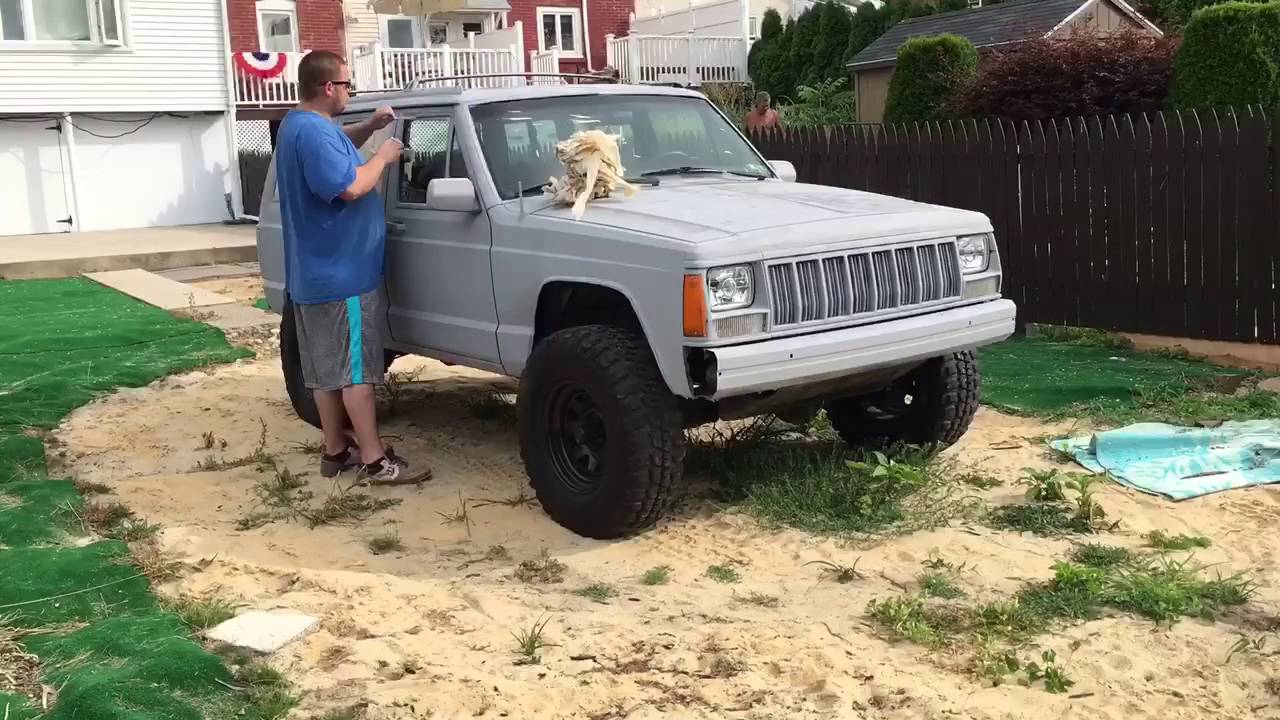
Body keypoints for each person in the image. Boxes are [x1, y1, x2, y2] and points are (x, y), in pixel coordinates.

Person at [275, 50, 428, 485]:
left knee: (325, 374)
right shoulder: (316, 135)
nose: (350, 92)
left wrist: (369, 128)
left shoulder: (298, 125)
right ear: (328, 88)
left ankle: (336, 452)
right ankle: (376, 462)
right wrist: (384, 155)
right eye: (347, 85)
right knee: (356, 373)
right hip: (343, 275)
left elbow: (336, 149)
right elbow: (349, 185)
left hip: (312, 275)